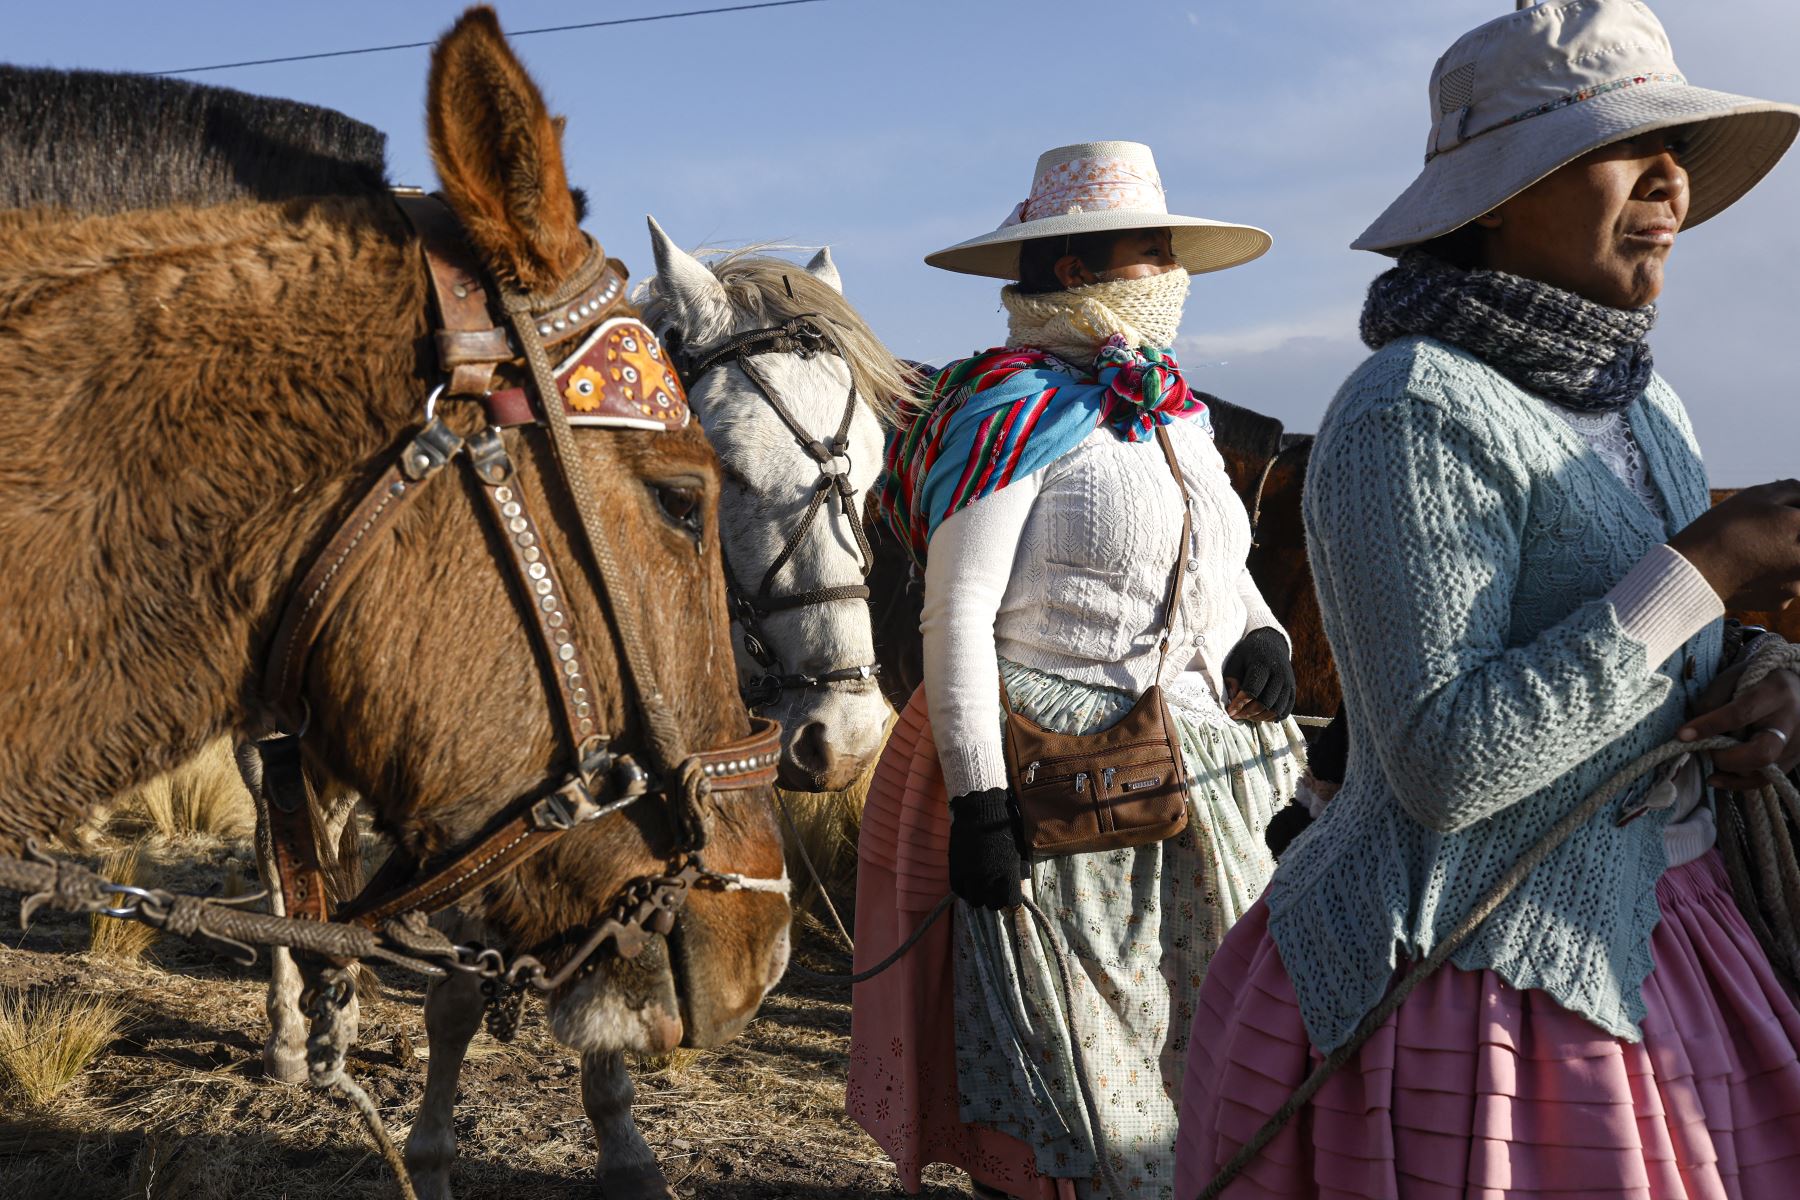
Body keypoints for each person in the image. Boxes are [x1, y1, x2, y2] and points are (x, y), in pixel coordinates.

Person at [1172, 3, 1800, 1197]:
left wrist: (1758, 683)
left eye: (1682, 152)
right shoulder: (1412, 410)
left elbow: (1667, 660)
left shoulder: (1640, 404)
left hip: (1670, 921)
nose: (1671, 179)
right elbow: (1444, 764)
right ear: (1499, 195)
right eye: (1629, 146)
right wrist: (1706, 567)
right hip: (1475, 983)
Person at [847, 140, 1307, 1199]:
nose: (1171, 278)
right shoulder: (1010, 412)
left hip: (1200, 777)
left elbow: (1221, 563)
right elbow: (956, 612)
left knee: (1216, 1049)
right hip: (1057, 776)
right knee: (1084, 1081)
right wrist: (980, 803)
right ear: (1074, 269)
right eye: (1152, 254)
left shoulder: (1175, 415)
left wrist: (1262, 634)